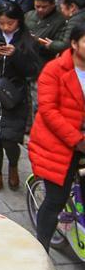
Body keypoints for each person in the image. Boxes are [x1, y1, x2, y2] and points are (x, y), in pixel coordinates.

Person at [28, 22, 85, 251]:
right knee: (55, 200)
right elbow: (49, 111)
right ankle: (42, 251)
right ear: (73, 44)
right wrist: (78, 140)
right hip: (56, 145)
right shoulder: (54, 70)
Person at [0, 2, 39, 196]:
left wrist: (16, 55)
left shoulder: (27, 39)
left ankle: (13, 166)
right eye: (2, 23)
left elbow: (32, 70)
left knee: (10, 139)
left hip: (15, 97)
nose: (5, 27)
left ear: (18, 21)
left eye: (10, 23)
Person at [25, 0, 66, 114]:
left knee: (38, 99)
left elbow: (62, 43)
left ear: (53, 5)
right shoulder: (29, 15)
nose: (40, 10)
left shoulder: (60, 20)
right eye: (37, 6)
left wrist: (45, 43)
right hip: (25, 60)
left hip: (44, 62)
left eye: (44, 7)